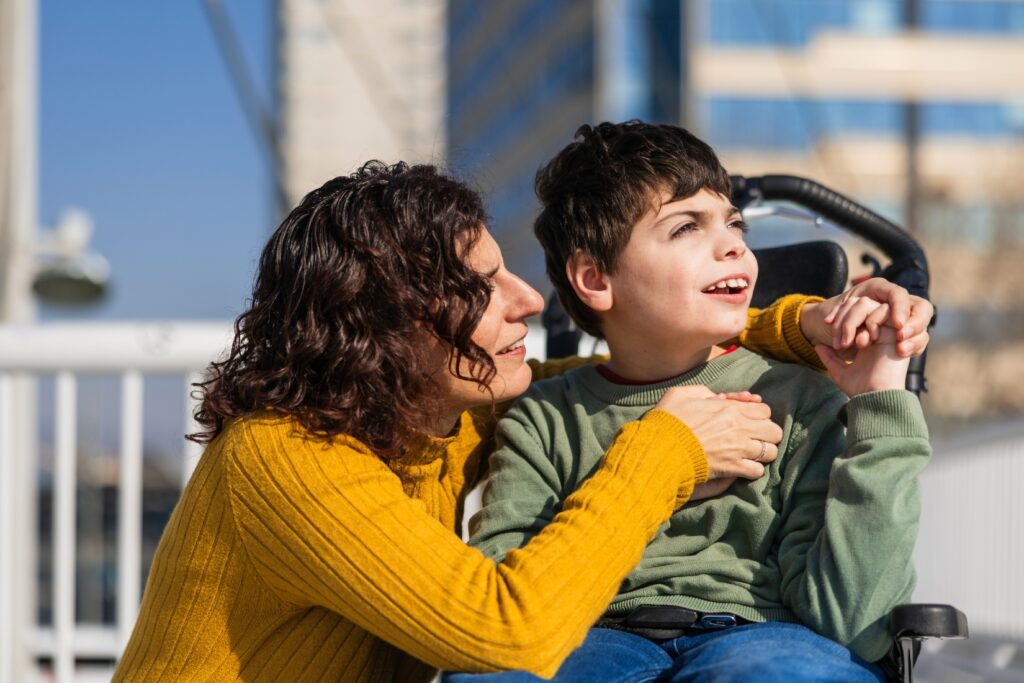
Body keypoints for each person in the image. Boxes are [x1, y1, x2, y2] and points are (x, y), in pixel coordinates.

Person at [112, 161, 932, 682]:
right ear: (391, 326)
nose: (531, 301)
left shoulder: (429, 413)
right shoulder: (286, 459)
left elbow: (635, 366)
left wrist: (797, 327)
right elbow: (504, 630)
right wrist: (668, 450)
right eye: (483, 286)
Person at [453, 122, 932, 683]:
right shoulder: (543, 416)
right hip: (594, 637)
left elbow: (850, 620)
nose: (734, 244)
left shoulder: (800, 398)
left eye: (735, 224)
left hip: (765, 633)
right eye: (685, 227)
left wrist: (880, 400)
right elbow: (503, 586)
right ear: (595, 277)